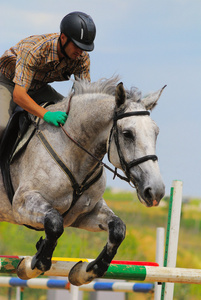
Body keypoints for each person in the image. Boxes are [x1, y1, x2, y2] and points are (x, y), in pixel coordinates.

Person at [0, 11, 96, 140]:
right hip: (9, 83)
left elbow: (83, 97)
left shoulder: (81, 58)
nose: (80, 51)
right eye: (77, 45)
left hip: (39, 87)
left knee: (74, 115)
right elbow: (19, 95)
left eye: (84, 48)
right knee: (1, 126)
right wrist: (46, 114)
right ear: (63, 38)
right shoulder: (34, 50)